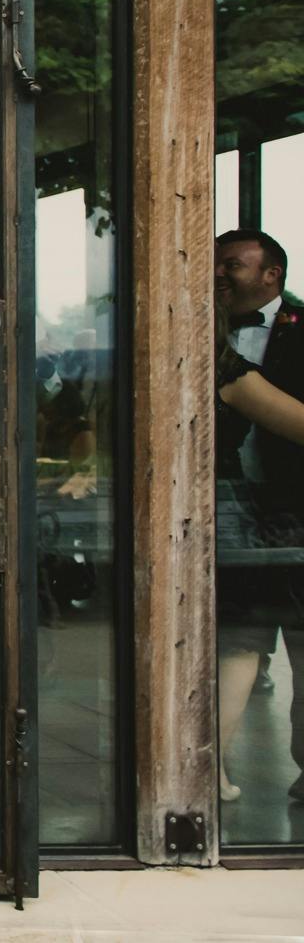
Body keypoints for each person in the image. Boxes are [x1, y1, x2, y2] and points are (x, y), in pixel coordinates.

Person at [214, 228, 304, 803]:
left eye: (234, 265)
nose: (221, 275)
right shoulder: (217, 351)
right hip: (231, 515)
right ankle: (205, 766)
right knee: (241, 643)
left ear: (272, 274)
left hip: (294, 510)